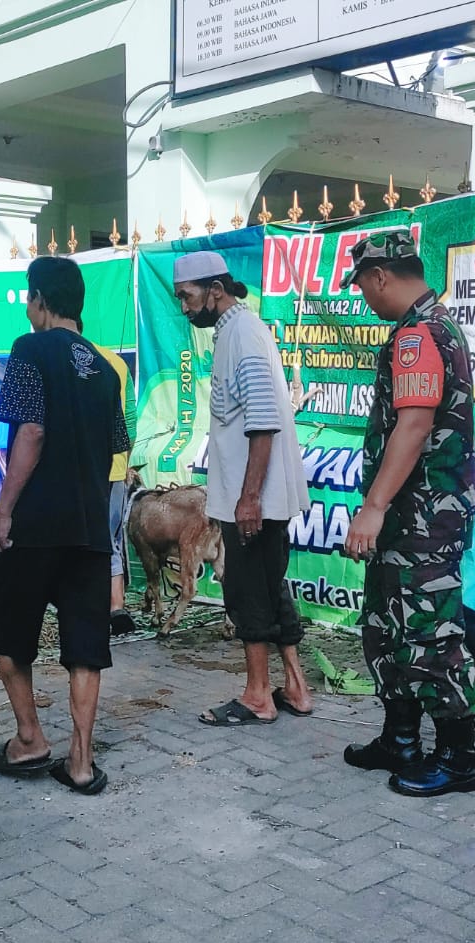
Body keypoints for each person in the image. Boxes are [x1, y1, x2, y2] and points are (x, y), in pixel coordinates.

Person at [338, 228, 475, 798]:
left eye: (364, 285)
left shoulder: (419, 334)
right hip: (408, 519)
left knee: (430, 632)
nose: (365, 297)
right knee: (387, 624)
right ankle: (400, 738)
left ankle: (458, 756)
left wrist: (373, 507)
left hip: (423, 518)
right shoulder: (425, 327)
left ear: (380, 276)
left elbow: (416, 423)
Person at [0, 256, 130, 796]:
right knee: (86, 643)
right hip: (90, 526)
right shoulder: (104, 365)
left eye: (28, 297)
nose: (27, 307)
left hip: (36, 523)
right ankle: (82, 762)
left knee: (8, 630)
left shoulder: (28, 349)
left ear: (40, 299)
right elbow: (117, 443)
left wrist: (3, 511)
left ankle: (30, 739)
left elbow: (32, 432)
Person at [170, 250, 312, 726]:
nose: (184, 308)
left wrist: (249, 497)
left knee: (248, 592)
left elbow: (263, 422)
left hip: (254, 498)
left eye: (187, 297)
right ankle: (295, 687)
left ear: (215, 289)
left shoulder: (242, 334)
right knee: (270, 588)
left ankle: (258, 697)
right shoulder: (238, 330)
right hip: (256, 496)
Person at [94, 342, 138, 635]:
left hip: (81, 471)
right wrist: (126, 464)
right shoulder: (117, 363)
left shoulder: (60, 358)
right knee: (111, 541)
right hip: (116, 467)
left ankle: (86, 608)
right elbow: (130, 424)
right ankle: (116, 606)